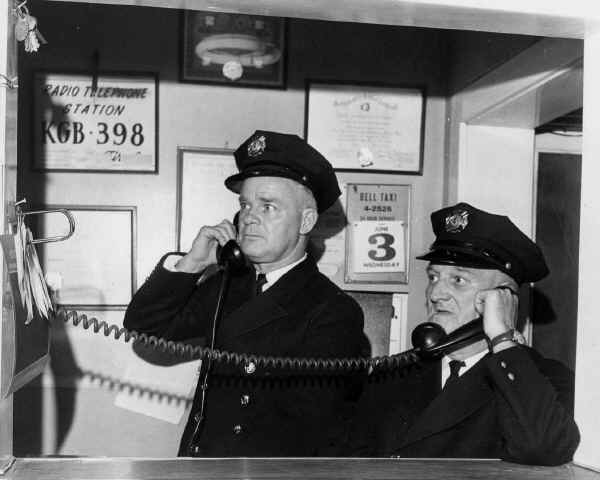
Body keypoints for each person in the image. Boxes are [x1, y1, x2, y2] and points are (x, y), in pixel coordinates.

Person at [124, 130, 366, 457]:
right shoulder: (226, 285)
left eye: (268, 207)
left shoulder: (333, 311)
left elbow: (312, 436)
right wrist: (192, 264)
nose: (249, 217)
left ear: (306, 220)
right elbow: (145, 326)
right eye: (246, 204)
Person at [351, 202, 580, 466]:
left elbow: (544, 449)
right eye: (434, 277)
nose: (435, 294)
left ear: (502, 299)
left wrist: (502, 339)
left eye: (458, 280)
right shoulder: (392, 374)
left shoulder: (543, 380)